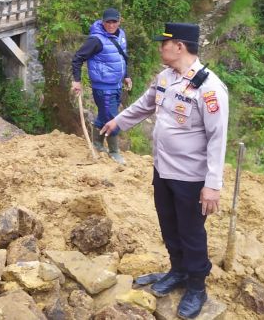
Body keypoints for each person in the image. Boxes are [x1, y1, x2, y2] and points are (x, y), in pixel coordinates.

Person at [101, 22, 228, 319]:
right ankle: (178, 270)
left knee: (191, 232)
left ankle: (197, 286)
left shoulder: (209, 88)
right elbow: (145, 105)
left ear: (179, 46)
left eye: (165, 43)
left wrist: (213, 184)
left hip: (191, 178)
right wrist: (118, 121)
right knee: (169, 224)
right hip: (163, 169)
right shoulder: (165, 77)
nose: (161, 48)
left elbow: (217, 139)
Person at [71, 7, 132, 164]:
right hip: (103, 87)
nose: (111, 25)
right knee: (112, 117)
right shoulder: (96, 40)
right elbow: (78, 58)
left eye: (114, 22)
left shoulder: (121, 35)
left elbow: (123, 57)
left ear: (120, 21)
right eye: (108, 22)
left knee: (105, 115)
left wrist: (126, 76)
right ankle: (114, 151)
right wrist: (76, 80)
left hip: (117, 84)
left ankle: (97, 143)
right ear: (103, 22)